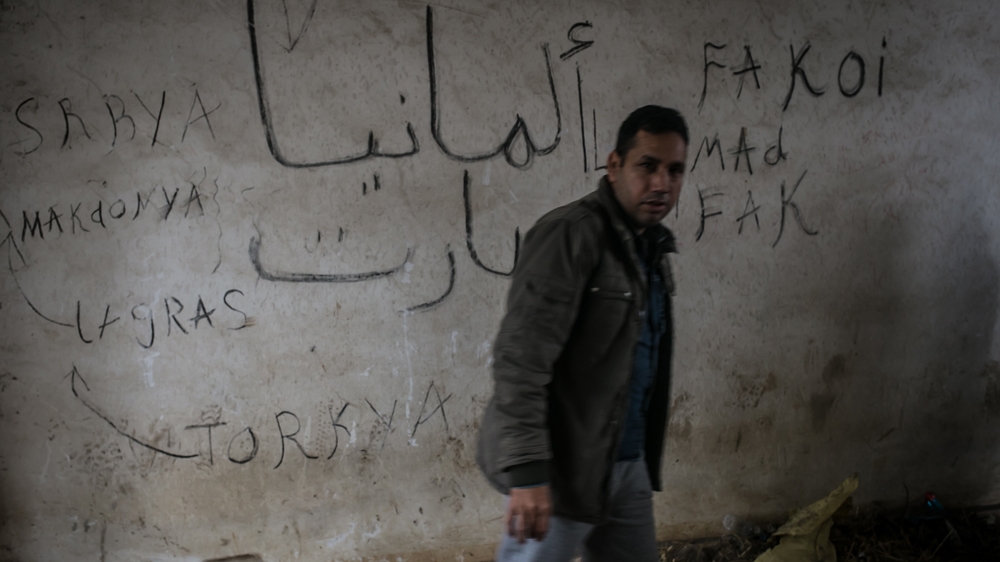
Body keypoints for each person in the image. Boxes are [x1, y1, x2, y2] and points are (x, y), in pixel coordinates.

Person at [476, 105, 689, 561]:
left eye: (675, 170)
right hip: (563, 472)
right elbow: (520, 359)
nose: (662, 183)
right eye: (647, 166)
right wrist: (529, 474)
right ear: (615, 165)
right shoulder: (570, 235)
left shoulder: (649, 248)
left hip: (626, 464)